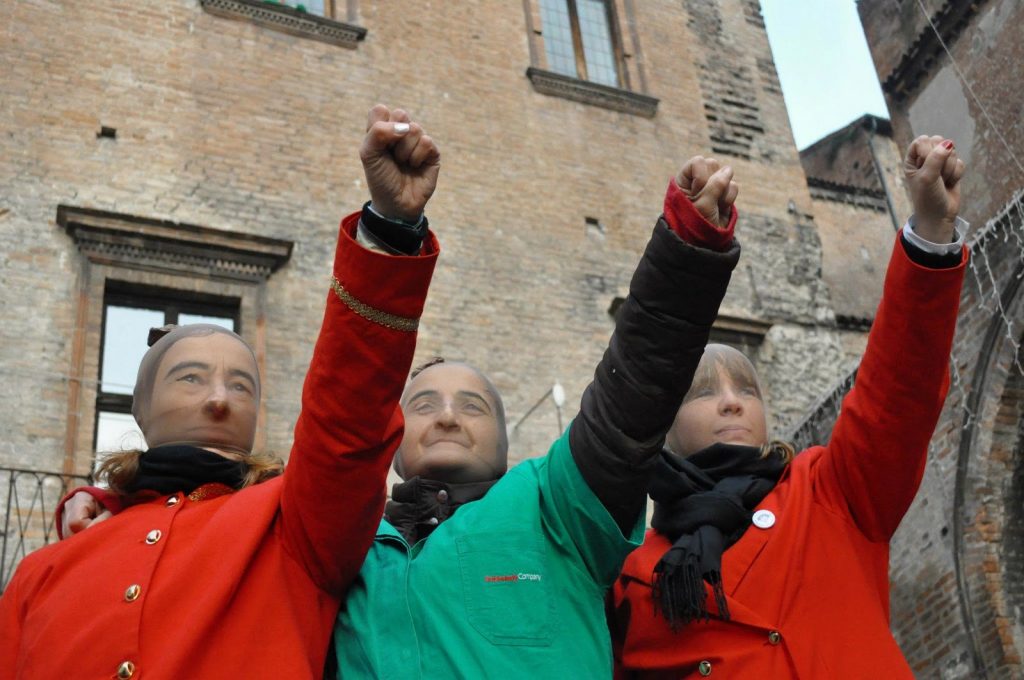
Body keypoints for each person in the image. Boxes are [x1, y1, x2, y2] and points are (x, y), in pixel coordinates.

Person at [60, 152, 747, 677]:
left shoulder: (554, 507)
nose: (447, 416)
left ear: (510, 444)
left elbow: (632, 396)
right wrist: (111, 503)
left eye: (472, 405)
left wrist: (685, 253)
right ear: (389, 442)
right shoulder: (334, 546)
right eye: (423, 404)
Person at [0, 104, 441, 680]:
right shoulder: (43, 572)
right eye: (190, 377)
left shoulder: (294, 527)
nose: (219, 398)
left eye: (242, 384)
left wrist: (387, 229)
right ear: (141, 407)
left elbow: (347, 418)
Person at [611, 136, 968, 678]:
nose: (731, 403)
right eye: (704, 393)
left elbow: (898, 390)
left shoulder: (831, 491)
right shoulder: (631, 579)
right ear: (663, 424)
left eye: (746, 391)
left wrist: (929, 235)